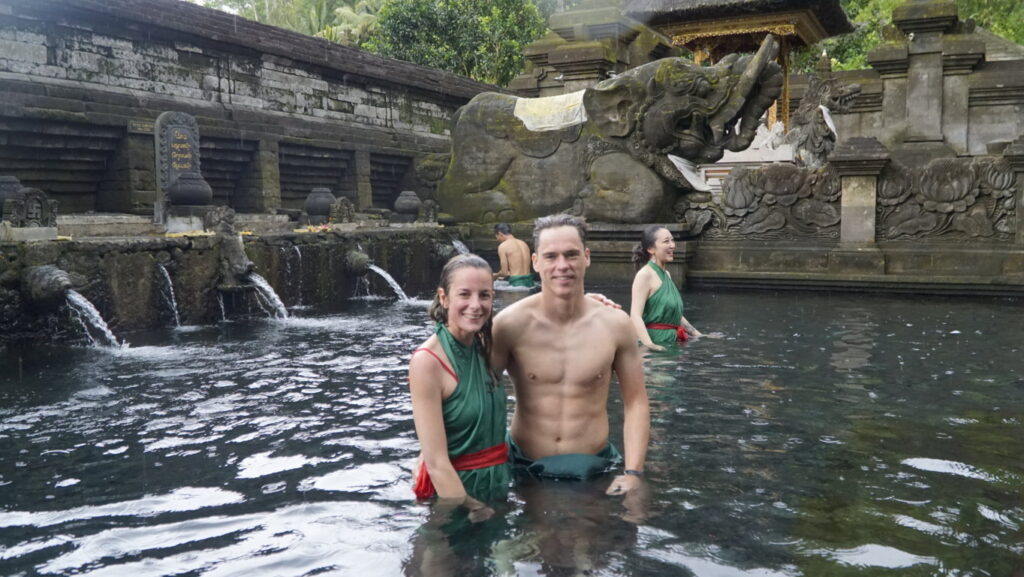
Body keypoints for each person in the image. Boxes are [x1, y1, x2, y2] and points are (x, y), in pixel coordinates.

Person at [492, 214, 649, 495]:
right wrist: (435, 454)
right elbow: (476, 392)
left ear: (587, 257)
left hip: (593, 468)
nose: (562, 265)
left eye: (571, 255)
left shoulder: (616, 324)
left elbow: (636, 401)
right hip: (524, 467)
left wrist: (633, 472)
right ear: (536, 261)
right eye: (551, 256)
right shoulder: (509, 325)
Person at [408, 253, 511, 521]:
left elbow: (530, 316)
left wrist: (583, 299)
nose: (475, 305)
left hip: (496, 486)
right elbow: (437, 463)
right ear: (444, 297)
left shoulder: (484, 344)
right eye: (464, 294)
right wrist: (473, 506)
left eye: (484, 295)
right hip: (453, 498)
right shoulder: (427, 363)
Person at [630, 225, 703, 351]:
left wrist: (698, 334)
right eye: (666, 241)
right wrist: (650, 345)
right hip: (655, 343)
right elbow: (635, 316)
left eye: (672, 240)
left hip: (671, 342)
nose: (672, 245)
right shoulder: (645, 275)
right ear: (651, 249)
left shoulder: (666, 275)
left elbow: (673, 314)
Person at [493, 223, 535, 288]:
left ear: (500, 234)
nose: (497, 239)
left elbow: (504, 273)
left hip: (516, 283)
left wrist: (494, 276)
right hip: (530, 281)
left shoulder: (503, 246)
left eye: (497, 237)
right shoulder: (524, 244)